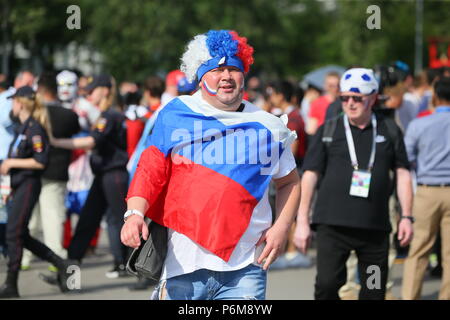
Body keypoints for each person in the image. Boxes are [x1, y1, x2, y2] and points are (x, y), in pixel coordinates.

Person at [121, 29, 300, 300]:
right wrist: (133, 214)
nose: (226, 76)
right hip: (183, 265)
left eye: (233, 68)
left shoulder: (269, 127)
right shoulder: (176, 113)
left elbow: (289, 181)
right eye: (217, 70)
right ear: (201, 76)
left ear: (244, 75)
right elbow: (150, 169)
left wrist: (281, 228)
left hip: (245, 269)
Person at [294, 68, 414, 300]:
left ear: (373, 98)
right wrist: (302, 220)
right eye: (344, 97)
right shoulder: (328, 129)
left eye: (357, 98)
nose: (349, 103)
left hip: (375, 229)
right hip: (332, 227)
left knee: (374, 290)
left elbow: (402, 173)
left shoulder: (389, 130)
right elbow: (310, 175)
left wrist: (406, 216)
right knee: (327, 286)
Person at [49, 74, 130, 278]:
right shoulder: (102, 115)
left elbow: (92, 142)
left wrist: (57, 142)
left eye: (92, 90)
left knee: (126, 222)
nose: (89, 95)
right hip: (102, 175)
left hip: (114, 175)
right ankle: (68, 275)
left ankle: (140, 271)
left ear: (104, 90)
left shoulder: (110, 115)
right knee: (86, 223)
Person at [0, 86, 76, 298]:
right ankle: (62, 264)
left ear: (21, 103)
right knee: (21, 234)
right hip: (18, 185)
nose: (11, 106)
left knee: (13, 233)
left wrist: (11, 162)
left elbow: (40, 161)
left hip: (29, 185)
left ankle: (11, 284)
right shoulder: (22, 128)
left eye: (13, 101)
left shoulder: (34, 128)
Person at [20, 73, 80, 271]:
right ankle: (57, 258)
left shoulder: (32, 112)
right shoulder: (68, 115)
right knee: (53, 216)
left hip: (31, 170)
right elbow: (76, 132)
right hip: (56, 171)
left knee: (31, 217)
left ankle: (24, 256)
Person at [402, 76, 450, 300]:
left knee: (419, 249)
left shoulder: (419, 124)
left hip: (426, 191)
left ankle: (411, 296)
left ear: (436, 97)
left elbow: (407, 158)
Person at [0, 71, 35, 257]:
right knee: (4, 207)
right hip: (5, 159)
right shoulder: (6, 99)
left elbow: (40, 159)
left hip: (16, 165)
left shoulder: (32, 125)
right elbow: (7, 119)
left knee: (9, 213)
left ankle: (9, 249)